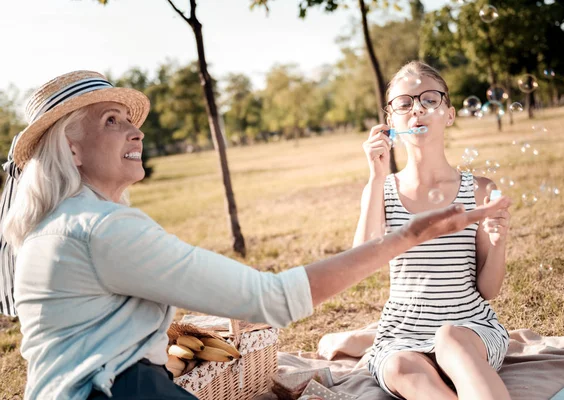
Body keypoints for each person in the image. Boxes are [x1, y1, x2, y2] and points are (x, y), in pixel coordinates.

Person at [0, 70, 509, 400]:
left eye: (131, 121)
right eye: (113, 121)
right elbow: (267, 298)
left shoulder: (63, 223)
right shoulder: (102, 229)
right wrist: (405, 237)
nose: (136, 132)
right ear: (71, 151)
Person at [354, 61, 512, 400]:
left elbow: (488, 289)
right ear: (390, 122)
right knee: (399, 368)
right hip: (401, 335)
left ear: (450, 114)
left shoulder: (479, 190)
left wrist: (498, 244)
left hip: (469, 329)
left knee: (449, 337)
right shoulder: (381, 189)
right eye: (404, 103)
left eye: (429, 99)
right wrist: (377, 177)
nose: (417, 110)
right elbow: (359, 263)